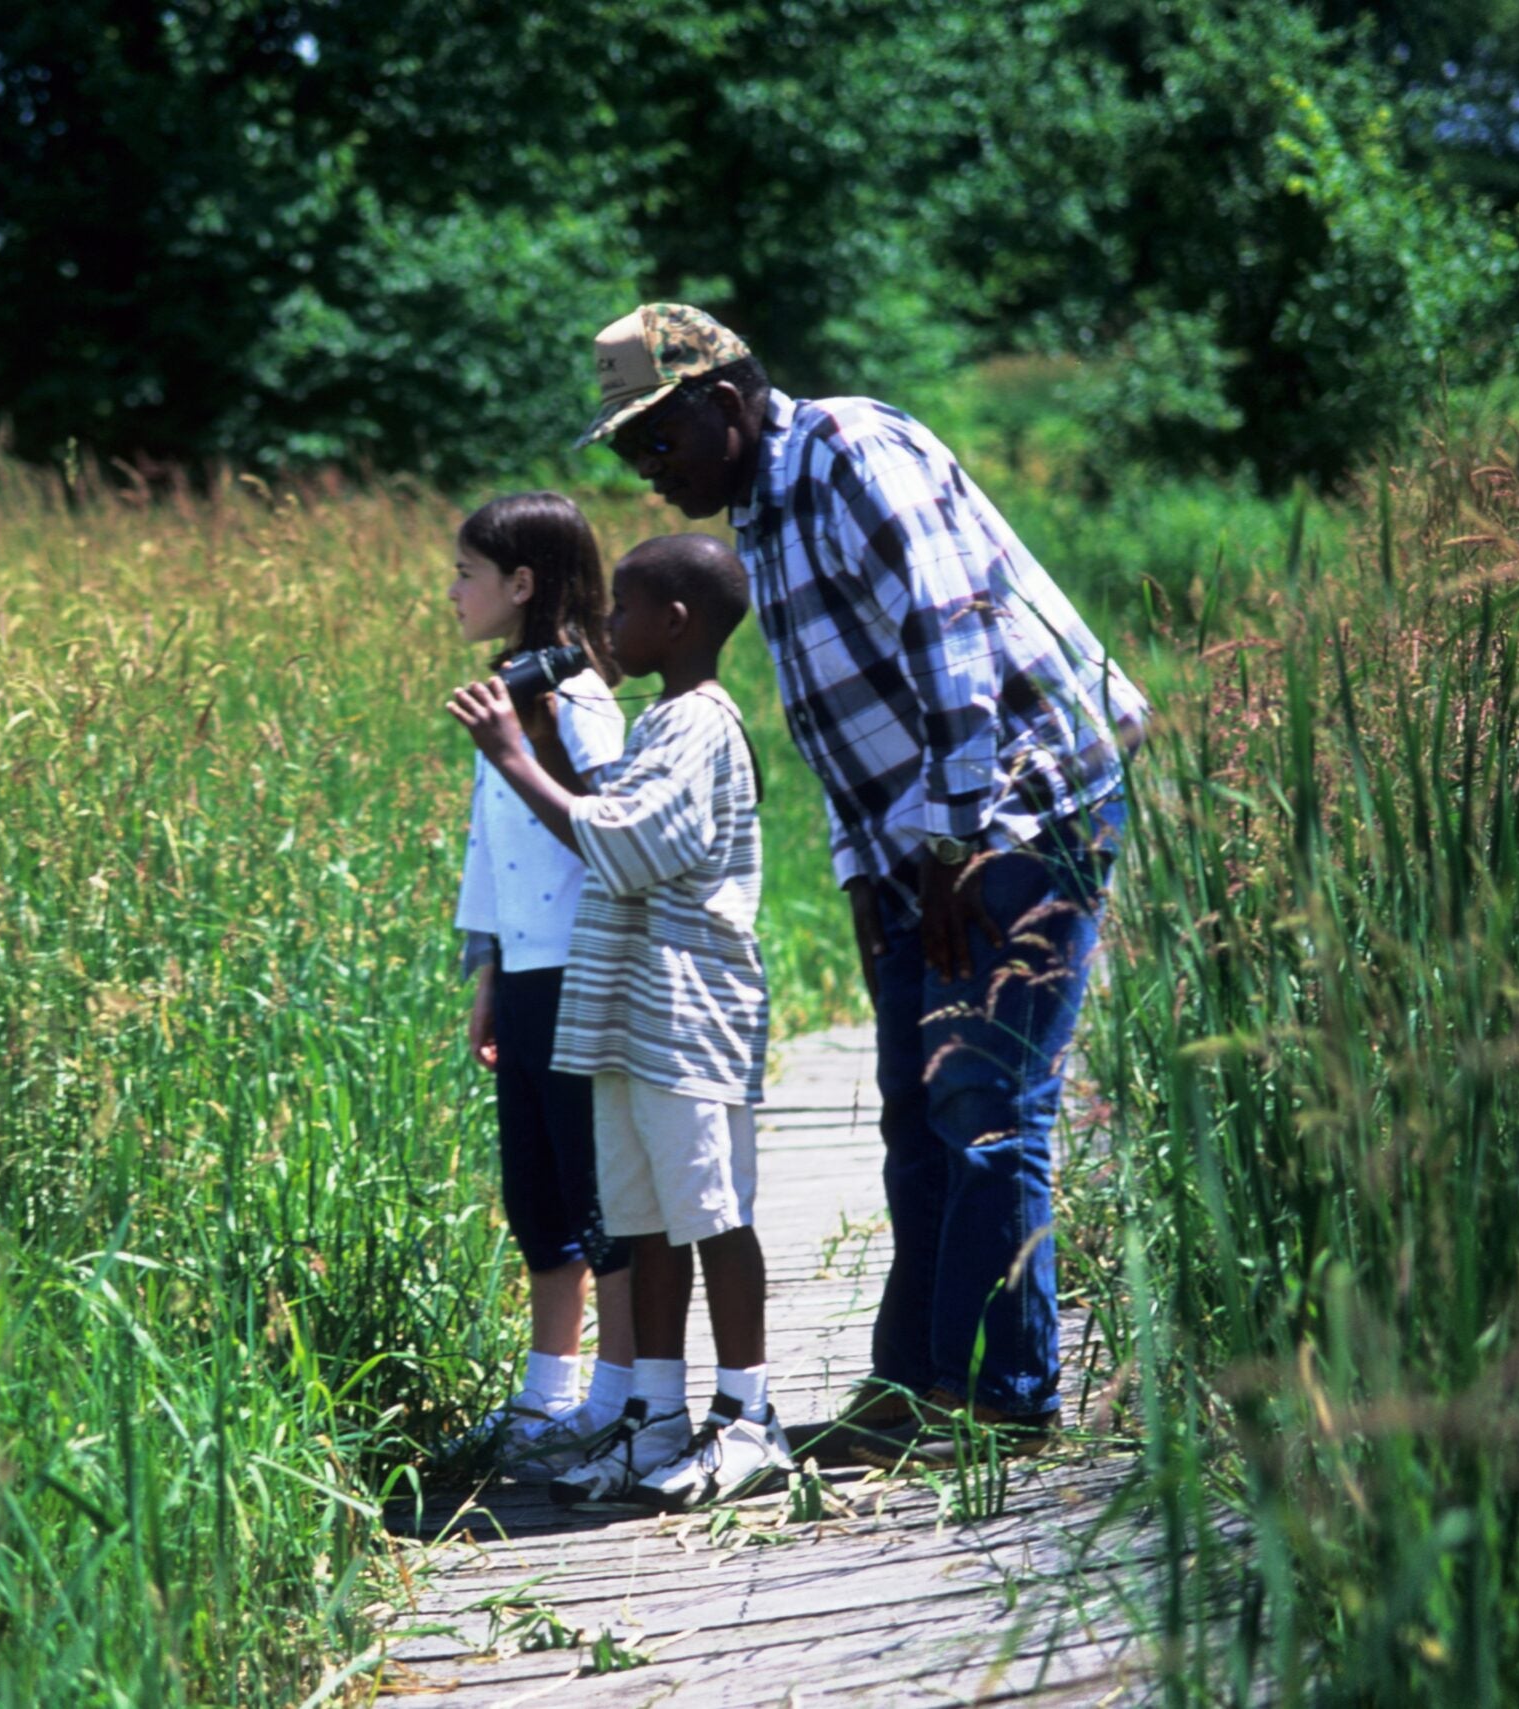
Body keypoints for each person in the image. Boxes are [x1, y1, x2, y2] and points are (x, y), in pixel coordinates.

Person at [574, 304, 1150, 1463]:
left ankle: (1000, 1392)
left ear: (723, 403)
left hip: (1019, 809)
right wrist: (865, 878)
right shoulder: (761, 517)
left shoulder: (847, 453)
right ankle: (917, 1375)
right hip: (914, 842)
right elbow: (839, 727)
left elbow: (954, 647)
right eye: (631, 452)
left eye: (656, 440)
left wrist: (948, 848)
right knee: (912, 1110)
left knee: (985, 1109)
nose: (647, 471)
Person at [448, 533, 789, 1511]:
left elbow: (624, 846)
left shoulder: (699, 724)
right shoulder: (661, 721)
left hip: (685, 1008)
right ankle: (654, 1415)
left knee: (711, 1212)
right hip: (632, 1008)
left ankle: (748, 1414)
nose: (607, 627)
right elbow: (608, 807)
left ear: (673, 622)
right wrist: (544, 743)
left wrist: (514, 755)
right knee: (644, 1223)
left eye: (625, 611)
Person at [445, 492, 638, 1482]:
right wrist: (485, 966)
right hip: (522, 971)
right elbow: (490, 843)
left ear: (521, 584)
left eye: (466, 573)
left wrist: (520, 751)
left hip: (582, 971)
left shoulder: (576, 699)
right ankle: (544, 1395)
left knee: (595, 1190)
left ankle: (615, 1402)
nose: (452, 591)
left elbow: (610, 833)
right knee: (536, 1196)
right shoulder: (505, 692)